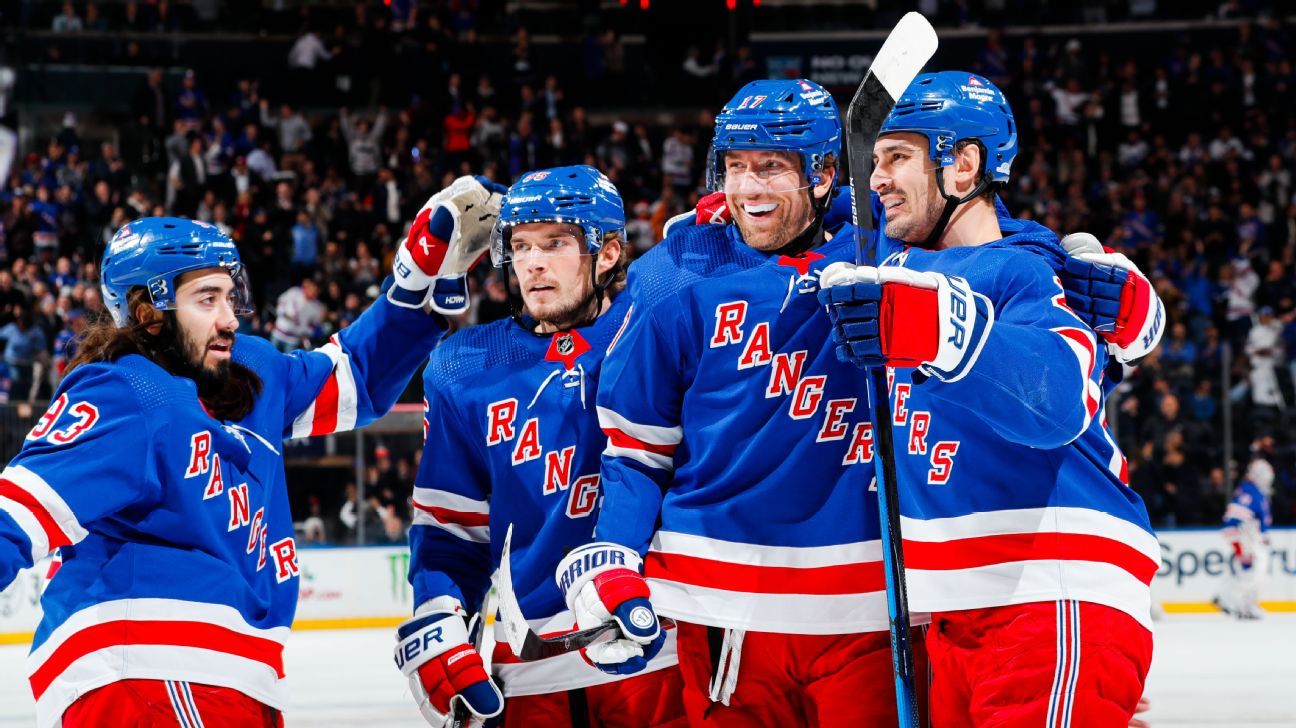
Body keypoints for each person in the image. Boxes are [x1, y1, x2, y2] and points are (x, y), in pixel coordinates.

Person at [565, 77, 1164, 727]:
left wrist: (1122, 305)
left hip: (996, 594)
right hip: (879, 609)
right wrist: (615, 554)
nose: (748, 188)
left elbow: (1041, 348)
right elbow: (637, 446)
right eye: (736, 167)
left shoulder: (929, 260)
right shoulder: (696, 267)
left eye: (770, 166)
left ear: (823, 175)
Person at [0, 174, 504, 728]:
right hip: (143, 666)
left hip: (230, 678)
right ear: (149, 315)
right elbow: (16, 513)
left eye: (229, 296)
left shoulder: (251, 372)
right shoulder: (126, 390)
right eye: (206, 299)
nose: (228, 317)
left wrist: (416, 280)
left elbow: (357, 376)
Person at [818, 71, 1156, 726]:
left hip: (1052, 590)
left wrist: (937, 329)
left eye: (898, 157)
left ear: (964, 164)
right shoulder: (893, 257)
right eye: (875, 158)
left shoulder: (1023, 268)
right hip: (954, 612)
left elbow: (1056, 401)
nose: (877, 177)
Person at [398, 166, 685, 728]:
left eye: (555, 243)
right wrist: (437, 614)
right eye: (521, 245)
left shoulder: (657, 323)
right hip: (528, 672)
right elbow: (452, 528)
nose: (532, 262)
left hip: (656, 651)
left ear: (606, 254)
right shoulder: (464, 367)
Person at [1214, 458, 1273, 620]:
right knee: (1251, 575)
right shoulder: (1248, 493)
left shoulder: (1257, 493)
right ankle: (1234, 604)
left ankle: (1247, 605)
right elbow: (1230, 524)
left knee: (1257, 575)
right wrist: (1240, 549)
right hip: (1249, 542)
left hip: (1255, 541)